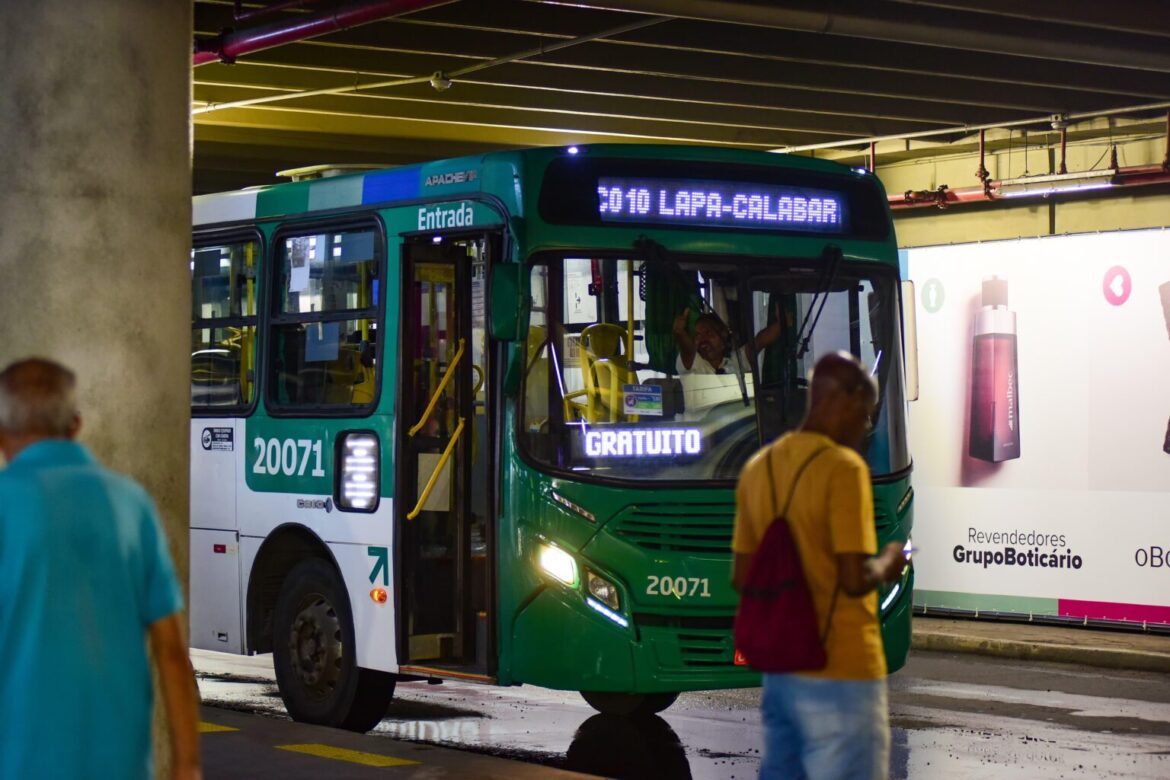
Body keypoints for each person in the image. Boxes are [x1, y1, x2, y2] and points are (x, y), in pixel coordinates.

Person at [0, 358, 202, 780]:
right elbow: (170, 652)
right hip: (121, 763)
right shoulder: (131, 504)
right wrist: (186, 764)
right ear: (76, 425)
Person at [731, 352, 906, 780]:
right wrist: (888, 563)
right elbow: (851, 579)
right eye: (864, 414)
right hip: (841, 669)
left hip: (781, 673)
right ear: (836, 401)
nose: (865, 428)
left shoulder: (759, 468)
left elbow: (742, 576)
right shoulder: (843, 469)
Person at [672, 306, 784, 375]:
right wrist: (680, 333)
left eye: (708, 333)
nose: (703, 340)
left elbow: (759, 342)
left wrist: (781, 324)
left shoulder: (738, 361)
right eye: (698, 336)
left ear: (723, 334)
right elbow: (687, 349)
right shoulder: (692, 362)